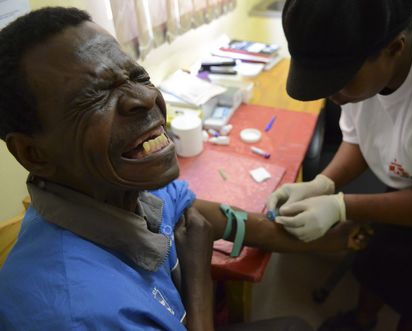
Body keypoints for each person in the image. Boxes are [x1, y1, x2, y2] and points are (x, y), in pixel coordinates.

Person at [0, 7, 364, 331]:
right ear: (33, 153)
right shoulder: (81, 315)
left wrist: (303, 236)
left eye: (137, 75)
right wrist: (199, 285)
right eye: (94, 95)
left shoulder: (115, 185)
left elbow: (192, 213)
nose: (145, 98)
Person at [267, 0, 412, 331]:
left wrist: (341, 206)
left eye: (340, 82)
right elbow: (363, 137)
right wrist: (323, 183)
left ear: (395, 48)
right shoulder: (362, 54)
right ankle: (363, 321)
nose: (333, 94)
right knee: (379, 262)